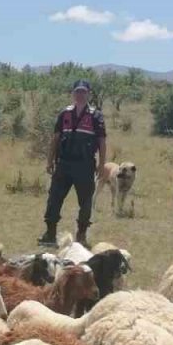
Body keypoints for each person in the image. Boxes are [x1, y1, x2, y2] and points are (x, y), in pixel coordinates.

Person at [39, 79, 107, 246]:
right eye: (77, 91)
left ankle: (81, 235)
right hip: (64, 164)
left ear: (88, 94)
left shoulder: (95, 116)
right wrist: (49, 161)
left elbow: (102, 141)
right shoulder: (64, 114)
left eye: (83, 92)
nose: (80, 95)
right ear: (73, 93)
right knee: (54, 198)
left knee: (85, 202)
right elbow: (55, 139)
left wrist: (101, 164)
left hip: (84, 166)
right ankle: (50, 233)